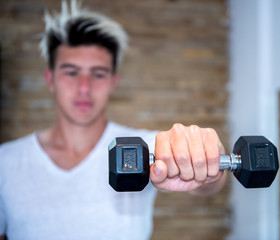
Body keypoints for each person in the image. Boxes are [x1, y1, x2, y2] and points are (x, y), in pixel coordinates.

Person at [0, 1, 227, 239]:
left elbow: (208, 186)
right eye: (71, 72)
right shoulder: (5, 162)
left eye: (98, 74)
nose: (84, 88)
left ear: (113, 82)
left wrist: (209, 161)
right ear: (50, 79)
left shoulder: (144, 148)